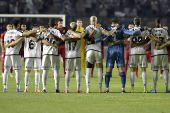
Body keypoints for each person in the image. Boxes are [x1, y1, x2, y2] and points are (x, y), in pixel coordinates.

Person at [68, 16, 121, 93]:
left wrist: (72, 32)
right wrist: (115, 28)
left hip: (89, 51)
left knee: (88, 69)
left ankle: (88, 89)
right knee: (99, 70)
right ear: (97, 21)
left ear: (90, 21)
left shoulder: (87, 28)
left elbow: (81, 36)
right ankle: (99, 89)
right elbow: (109, 33)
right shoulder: (100, 28)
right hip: (98, 51)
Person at [95, 20, 140, 93]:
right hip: (120, 51)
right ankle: (123, 89)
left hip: (111, 52)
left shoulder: (109, 29)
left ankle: (107, 89)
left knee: (108, 70)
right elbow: (131, 33)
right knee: (122, 70)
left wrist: (94, 40)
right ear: (117, 23)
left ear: (112, 23)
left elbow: (102, 38)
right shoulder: (122, 29)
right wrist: (138, 30)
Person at [3, 18, 39, 92]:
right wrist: (38, 30)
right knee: (17, 71)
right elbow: (27, 34)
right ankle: (18, 87)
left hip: (7, 54)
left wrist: (8, 46)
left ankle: (5, 88)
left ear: (12, 25)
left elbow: (5, 44)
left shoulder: (7, 33)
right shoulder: (18, 32)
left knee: (6, 71)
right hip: (15, 53)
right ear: (19, 25)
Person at [128, 16, 158, 93]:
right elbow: (148, 39)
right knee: (143, 70)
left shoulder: (130, 30)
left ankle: (132, 89)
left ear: (133, 22)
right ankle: (145, 88)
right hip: (142, 50)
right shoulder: (144, 30)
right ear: (141, 23)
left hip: (133, 52)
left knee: (132, 70)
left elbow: (126, 39)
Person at [60, 22, 83, 93]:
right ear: (76, 27)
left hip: (68, 55)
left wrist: (69, 37)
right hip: (77, 54)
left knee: (67, 72)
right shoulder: (79, 33)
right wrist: (73, 37)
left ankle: (66, 89)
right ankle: (78, 89)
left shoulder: (66, 33)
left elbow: (63, 38)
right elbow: (79, 36)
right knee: (78, 72)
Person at [150, 18, 170, 93]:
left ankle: (154, 89)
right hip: (164, 52)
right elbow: (169, 41)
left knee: (155, 70)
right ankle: (166, 89)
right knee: (165, 70)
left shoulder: (152, 31)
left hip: (155, 53)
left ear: (155, 23)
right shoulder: (165, 31)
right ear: (161, 23)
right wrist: (161, 46)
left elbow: (148, 39)